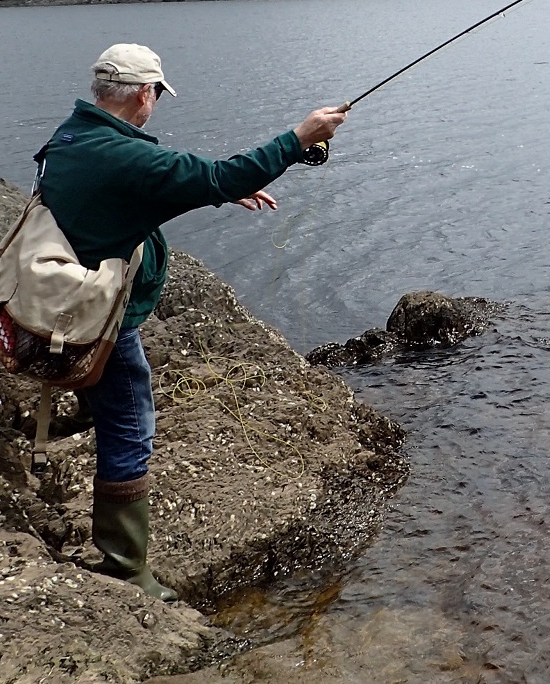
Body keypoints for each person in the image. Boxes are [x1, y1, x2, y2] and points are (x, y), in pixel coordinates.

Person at [38, 42, 346, 601]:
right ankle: (127, 569)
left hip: (67, 302)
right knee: (131, 428)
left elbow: (152, 188)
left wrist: (220, 192)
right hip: (102, 320)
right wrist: (300, 138)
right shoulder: (122, 155)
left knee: (115, 413)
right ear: (142, 94)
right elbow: (199, 174)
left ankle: (119, 549)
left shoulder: (75, 136)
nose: (155, 102)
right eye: (156, 92)